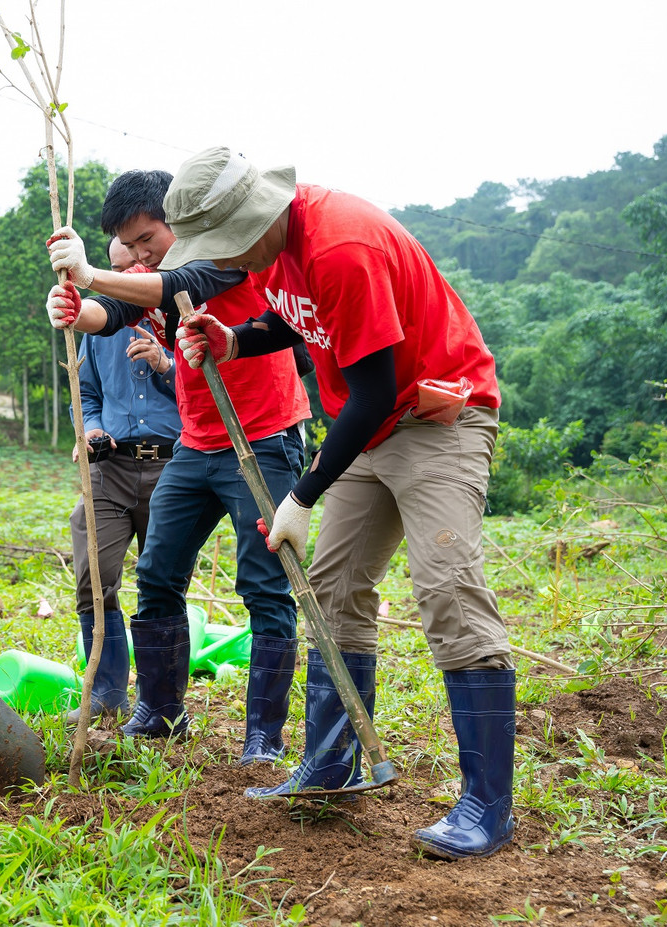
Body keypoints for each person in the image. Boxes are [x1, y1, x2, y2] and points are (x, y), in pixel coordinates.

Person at [168, 148, 514, 860]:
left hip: (435, 415)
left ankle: (487, 804)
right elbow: (298, 321)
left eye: (224, 242)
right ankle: (331, 764)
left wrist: (301, 495)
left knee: (446, 586)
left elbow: (375, 391)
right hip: (372, 423)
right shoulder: (274, 249)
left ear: (255, 217)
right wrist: (236, 339)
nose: (223, 258)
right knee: (332, 588)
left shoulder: (341, 247)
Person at [46, 171, 312, 755]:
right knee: (158, 571)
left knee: (264, 584)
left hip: (263, 437)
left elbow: (177, 283)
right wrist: (74, 306)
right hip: (197, 443)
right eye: (130, 246)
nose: (142, 254)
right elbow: (110, 312)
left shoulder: (225, 252)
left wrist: (91, 274)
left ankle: (263, 736)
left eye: (147, 239)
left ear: (178, 224)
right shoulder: (147, 279)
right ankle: (160, 713)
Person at [65, 237, 180, 723]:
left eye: (136, 263)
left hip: (172, 468)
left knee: (162, 585)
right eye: (115, 268)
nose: (126, 276)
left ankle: (160, 705)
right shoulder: (96, 324)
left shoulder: (179, 313)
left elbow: (207, 388)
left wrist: (165, 364)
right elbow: (86, 393)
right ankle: (107, 693)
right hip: (109, 467)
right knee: (94, 577)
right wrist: (91, 428)